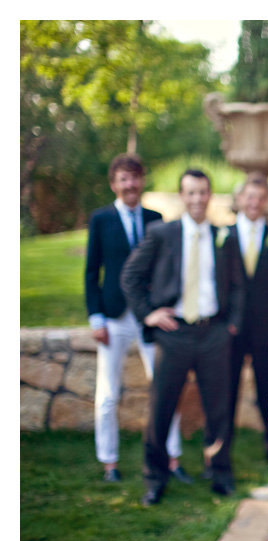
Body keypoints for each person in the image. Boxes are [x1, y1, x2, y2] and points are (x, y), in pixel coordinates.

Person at [121, 168, 244, 506]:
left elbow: (237, 286)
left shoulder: (225, 236)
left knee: (219, 409)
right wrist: (148, 314)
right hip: (173, 335)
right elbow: (131, 275)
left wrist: (230, 324)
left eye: (202, 192)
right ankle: (155, 479)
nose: (197, 199)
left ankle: (219, 474)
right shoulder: (162, 233)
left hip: (213, 334)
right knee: (161, 409)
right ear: (181, 196)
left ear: (210, 194)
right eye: (190, 193)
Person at [84, 153, 189, 484]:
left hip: (148, 317)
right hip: (113, 317)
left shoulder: (156, 219)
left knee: (164, 387)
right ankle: (109, 462)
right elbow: (91, 273)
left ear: (142, 180)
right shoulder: (100, 220)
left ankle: (172, 459)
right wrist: (96, 318)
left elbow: (166, 270)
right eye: (123, 178)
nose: (130, 184)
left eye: (134, 177)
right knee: (108, 393)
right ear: (114, 184)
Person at [228, 174, 268, 464]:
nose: (254, 203)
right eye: (249, 197)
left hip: (266, 327)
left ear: (265, 202)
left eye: (259, 198)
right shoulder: (223, 236)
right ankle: (222, 446)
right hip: (230, 327)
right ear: (240, 199)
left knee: (267, 386)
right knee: (226, 388)